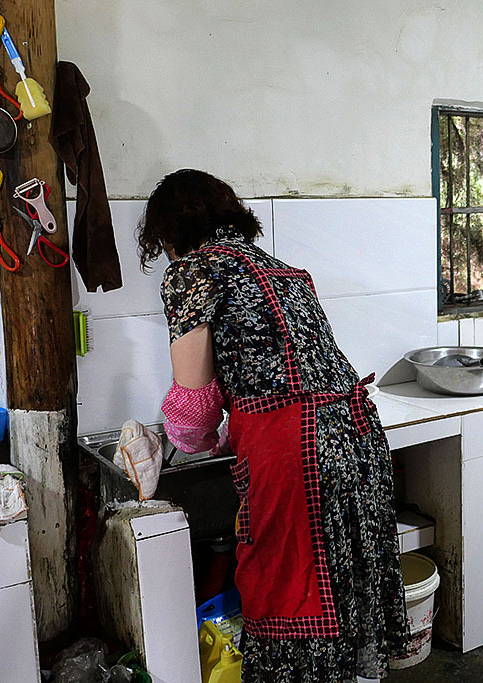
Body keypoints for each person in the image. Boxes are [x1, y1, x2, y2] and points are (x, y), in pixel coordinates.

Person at [138, 169, 408, 682]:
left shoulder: (193, 271)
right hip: (357, 435)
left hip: (297, 451)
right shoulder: (284, 271)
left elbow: (194, 408)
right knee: (347, 582)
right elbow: (283, 371)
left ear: (170, 235)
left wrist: (187, 439)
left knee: (292, 590)